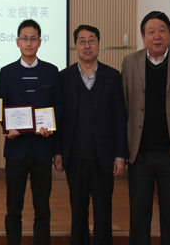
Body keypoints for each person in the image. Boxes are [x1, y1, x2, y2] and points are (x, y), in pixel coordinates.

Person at [122, 11, 170, 245]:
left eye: (162, 31)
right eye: (151, 31)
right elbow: (123, 106)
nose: (156, 36)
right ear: (143, 36)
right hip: (139, 155)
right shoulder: (130, 63)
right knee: (138, 218)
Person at [54, 25, 127, 245]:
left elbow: (120, 118)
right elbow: (59, 118)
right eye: (82, 41)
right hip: (75, 156)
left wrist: (120, 155)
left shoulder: (112, 76)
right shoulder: (64, 77)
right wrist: (58, 152)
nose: (87, 45)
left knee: (104, 211)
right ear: (75, 46)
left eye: (92, 40)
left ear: (98, 44)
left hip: (104, 157)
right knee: (78, 211)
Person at [0, 19, 62, 245]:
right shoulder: (6, 72)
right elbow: (2, 106)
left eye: (33, 38)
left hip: (42, 150)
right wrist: (7, 127)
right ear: (17, 42)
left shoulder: (51, 71)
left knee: (42, 210)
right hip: (15, 150)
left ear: (40, 42)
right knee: (13, 210)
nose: (28, 43)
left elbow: (58, 106)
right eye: (24, 38)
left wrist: (51, 128)